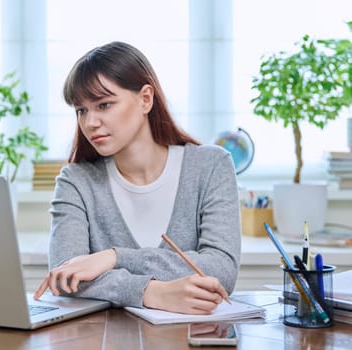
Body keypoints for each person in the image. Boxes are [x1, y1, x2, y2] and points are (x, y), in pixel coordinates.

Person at [34, 41, 241, 314]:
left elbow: (221, 269)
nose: (90, 122)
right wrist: (151, 292)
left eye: (104, 104)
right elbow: (65, 276)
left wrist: (114, 258)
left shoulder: (211, 165)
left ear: (145, 99)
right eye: (81, 110)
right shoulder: (76, 180)